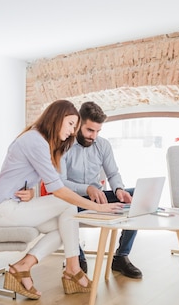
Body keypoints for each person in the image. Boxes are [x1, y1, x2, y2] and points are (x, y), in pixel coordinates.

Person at [0, 99, 124, 299]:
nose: (71, 131)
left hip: (12, 206)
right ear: (57, 118)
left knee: (63, 228)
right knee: (68, 204)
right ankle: (73, 271)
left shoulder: (39, 140)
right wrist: (98, 208)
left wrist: (31, 193)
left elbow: (18, 175)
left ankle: (23, 267)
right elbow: (58, 189)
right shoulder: (35, 140)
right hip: (2, 210)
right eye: (70, 124)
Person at [60, 101, 143, 279]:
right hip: (71, 200)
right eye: (90, 130)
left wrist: (119, 189)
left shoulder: (103, 145)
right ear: (78, 124)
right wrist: (86, 188)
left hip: (98, 198)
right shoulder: (63, 145)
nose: (94, 136)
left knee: (136, 195)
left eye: (98, 131)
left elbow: (113, 173)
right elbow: (60, 183)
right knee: (63, 208)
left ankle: (121, 257)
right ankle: (78, 257)